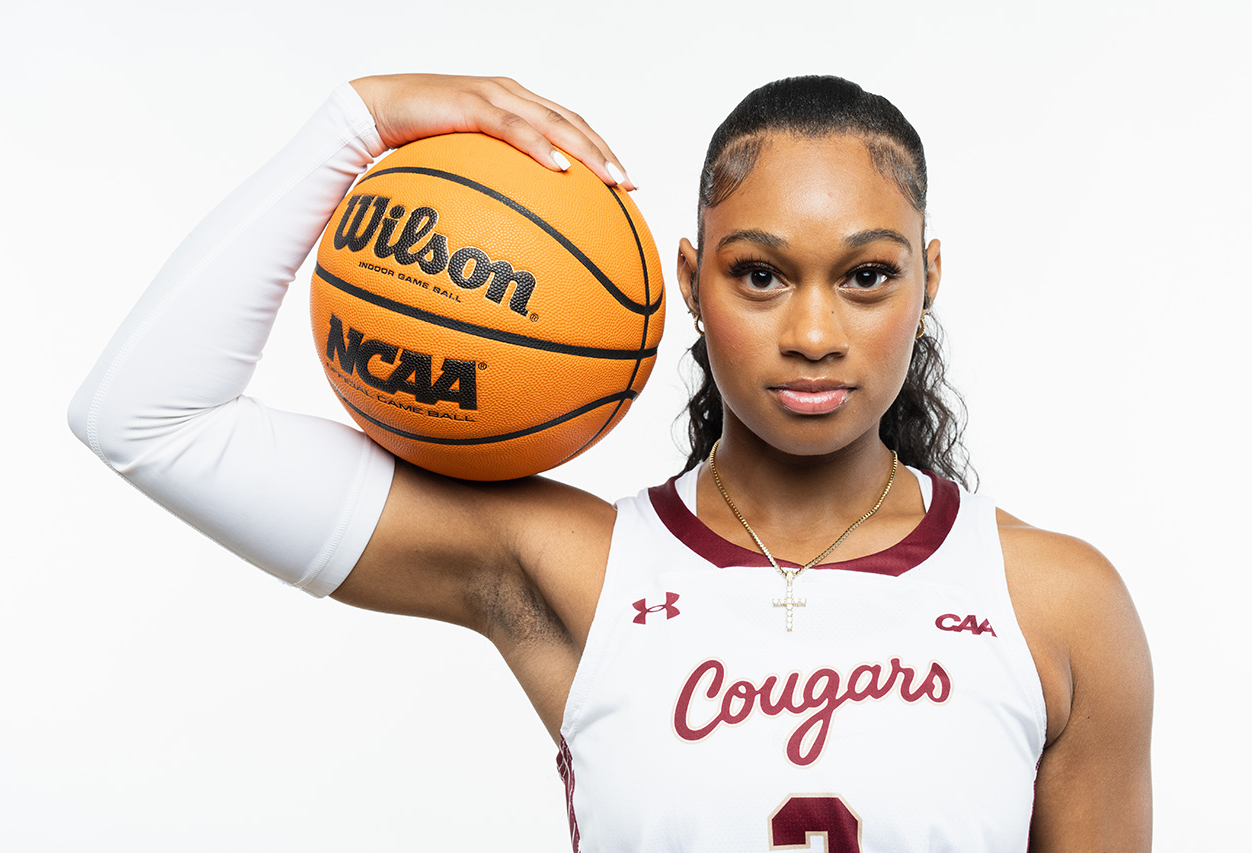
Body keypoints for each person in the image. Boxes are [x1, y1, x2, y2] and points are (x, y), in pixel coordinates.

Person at [68, 73, 1152, 851]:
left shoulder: (1052, 601)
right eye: (758, 276)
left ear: (927, 279)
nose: (814, 331)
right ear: (688, 280)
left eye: (865, 276)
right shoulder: (575, 568)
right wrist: (355, 125)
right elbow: (147, 419)